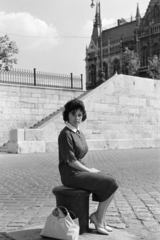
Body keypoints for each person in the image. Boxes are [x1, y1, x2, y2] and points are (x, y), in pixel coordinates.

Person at [58, 98, 119, 235]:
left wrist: (88, 170)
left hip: (79, 170)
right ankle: (97, 218)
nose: (76, 118)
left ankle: (100, 218)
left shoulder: (78, 132)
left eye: (79, 115)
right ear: (67, 115)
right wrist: (89, 170)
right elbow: (71, 161)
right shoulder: (65, 134)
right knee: (110, 182)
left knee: (112, 182)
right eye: (73, 114)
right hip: (70, 174)